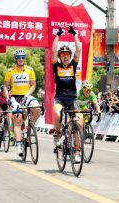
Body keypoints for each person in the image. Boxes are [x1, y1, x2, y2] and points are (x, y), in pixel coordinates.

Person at [51, 25, 82, 162]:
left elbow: (79, 49)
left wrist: (74, 34)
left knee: (79, 123)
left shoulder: (72, 65)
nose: (65, 57)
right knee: (58, 114)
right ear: (59, 57)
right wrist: (58, 35)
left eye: (67, 55)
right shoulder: (56, 66)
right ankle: (57, 135)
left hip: (72, 99)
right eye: (62, 55)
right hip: (59, 98)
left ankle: (77, 151)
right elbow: (52, 50)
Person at [3, 48, 41, 157]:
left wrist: (27, 95)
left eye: (23, 57)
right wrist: (8, 99)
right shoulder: (10, 71)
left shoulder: (30, 70)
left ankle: (29, 127)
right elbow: (5, 86)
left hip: (26, 95)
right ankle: (19, 144)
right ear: (15, 59)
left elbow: (33, 84)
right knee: (17, 120)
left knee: (37, 108)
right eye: (19, 58)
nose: (21, 59)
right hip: (15, 97)